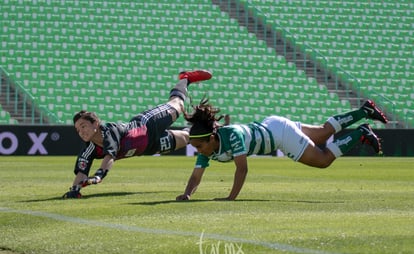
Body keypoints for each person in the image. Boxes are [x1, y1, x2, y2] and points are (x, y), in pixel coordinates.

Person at [176, 96, 388, 201]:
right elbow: (196, 176)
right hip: (273, 124)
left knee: (323, 160)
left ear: (212, 137)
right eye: (195, 147)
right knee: (324, 132)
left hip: (279, 136)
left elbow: (242, 169)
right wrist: (187, 194)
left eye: (199, 146)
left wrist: (231, 197)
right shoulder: (207, 148)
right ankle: (364, 111)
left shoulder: (231, 135)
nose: (198, 150)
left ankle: (361, 133)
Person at [62, 70, 212, 199]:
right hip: (150, 146)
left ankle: (185, 77)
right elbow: (82, 172)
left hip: (148, 124)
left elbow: (110, 156)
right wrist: (75, 190)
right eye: (78, 130)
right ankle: (212, 127)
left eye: (83, 126)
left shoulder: (109, 131)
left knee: (178, 104)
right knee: (188, 138)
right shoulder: (89, 148)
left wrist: (99, 175)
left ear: (95, 123)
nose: (81, 132)